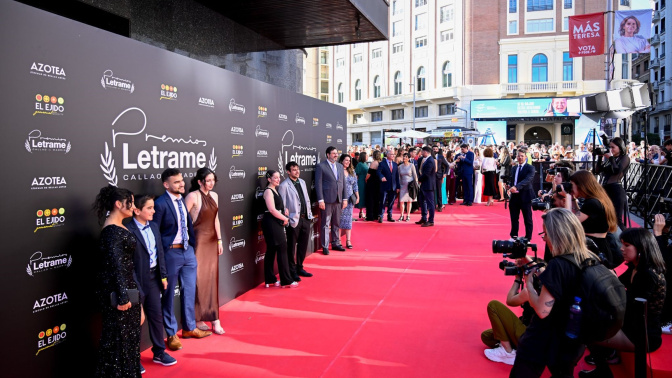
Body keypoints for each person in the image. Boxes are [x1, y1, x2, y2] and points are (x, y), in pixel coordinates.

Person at [510, 208, 596, 377]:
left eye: (546, 233)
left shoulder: (558, 264)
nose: (544, 238)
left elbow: (542, 310)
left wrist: (529, 284)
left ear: (556, 235)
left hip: (545, 337)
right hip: (572, 338)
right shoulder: (589, 257)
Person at [579, 228, 667, 378]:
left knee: (587, 333)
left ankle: (603, 372)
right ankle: (606, 362)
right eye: (622, 244)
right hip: (630, 324)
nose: (622, 249)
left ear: (641, 248)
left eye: (626, 245)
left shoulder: (648, 274)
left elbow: (629, 305)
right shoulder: (636, 266)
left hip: (642, 334)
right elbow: (618, 286)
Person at [152, 169, 211, 353]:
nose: (181, 184)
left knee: (189, 291)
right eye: (176, 182)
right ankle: (171, 334)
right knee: (168, 295)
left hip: (187, 252)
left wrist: (191, 247)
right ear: (166, 185)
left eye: (182, 181)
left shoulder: (182, 201)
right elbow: (156, 233)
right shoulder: (160, 204)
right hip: (170, 253)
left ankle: (189, 328)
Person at [93, 185, 142, 377]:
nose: (133, 206)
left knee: (128, 344)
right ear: (118, 204)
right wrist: (123, 298)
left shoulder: (120, 227)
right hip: (121, 298)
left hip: (128, 293)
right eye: (130, 202)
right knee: (118, 344)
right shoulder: (112, 231)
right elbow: (115, 266)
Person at [126, 194, 177, 368]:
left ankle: (159, 352)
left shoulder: (154, 226)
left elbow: (159, 253)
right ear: (136, 210)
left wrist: (163, 275)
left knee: (156, 316)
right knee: (135, 320)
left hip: (154, 278)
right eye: (149, 208)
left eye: (153, 207)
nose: (154, 211)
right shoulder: (127, 229)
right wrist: (133, 284)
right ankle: (133, 359)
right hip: (135, 280)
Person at [184, 168, 225, 335]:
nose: (211, 183)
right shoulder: (193, 196)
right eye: (208, 180)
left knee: (212, 278)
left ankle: (215, 318)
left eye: (213, 180)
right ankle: (198, 317)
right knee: (199, 279)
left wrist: (220, 240)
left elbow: (216, 219)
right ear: (200, 181)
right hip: (198, 241)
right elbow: (182, 220)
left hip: (212, 241)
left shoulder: (215, 196)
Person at [482, 257, 534, 366]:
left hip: (530, 336)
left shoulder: (531, 290)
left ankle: (508, 353)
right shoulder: (542, 286)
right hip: (530, 333)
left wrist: (517, 279)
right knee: (487, 336)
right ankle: (514, 350)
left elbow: (510, 301)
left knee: (494, 306)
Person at [567, 170, 623, 270]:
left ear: (581, 185)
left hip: (594, 247)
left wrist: (567, 197)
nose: (570, 188)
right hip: (599, 244)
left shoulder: (592, 203)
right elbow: (581, 214)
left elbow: (568, 222)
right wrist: (572, 199)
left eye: (572, 185)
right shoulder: (596, 200)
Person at [278, 162, 314, 282]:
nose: (297, 172)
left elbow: (306, 200)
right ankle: (292, 271)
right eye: (294, 170)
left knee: (303, 245)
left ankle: (300, 267)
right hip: (294, 220)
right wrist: (286, 217)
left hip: (305, 218)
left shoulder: (302, 182)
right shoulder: (284, 185)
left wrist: (309, 215)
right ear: (288, 172)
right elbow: (282, 205)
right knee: (291, 247)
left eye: (298, 169)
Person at [261, 170, 297, 288]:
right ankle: (286, 280)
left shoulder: (275, 190)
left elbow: (277, 207)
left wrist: (284, 211)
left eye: (278, 177)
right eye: (275, 178)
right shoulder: (268, 191)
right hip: (271, 223)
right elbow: (271, 209)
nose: (278, 179)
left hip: (275, 221)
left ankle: (269, 279)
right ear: (269, 179)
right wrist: (285, 218)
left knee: (271, 250)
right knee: (281, 248)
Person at [315, 146, 348, 254]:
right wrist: (320, 200)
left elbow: (343, 183)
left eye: (336, 153)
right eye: (333, 153)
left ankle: (336, 243)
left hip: (338, 200)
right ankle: (325, 246)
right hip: (327, 200)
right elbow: (318, 184)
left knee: (336, 223)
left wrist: (345, 198)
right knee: (325, 223)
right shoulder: (321, 166)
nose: (336, 155)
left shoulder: (339, 166)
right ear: (328, 155)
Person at [594, 137, 630, 231]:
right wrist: (600, 157)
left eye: (613, 147)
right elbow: (597, 171)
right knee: (604, 217)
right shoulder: (611, 159)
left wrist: (610, 158)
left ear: (620, 147)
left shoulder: (625, 158)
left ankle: (624, 239)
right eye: (609, 147)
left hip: (616, 190)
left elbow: (617, 171)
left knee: (617, 220)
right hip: (605, 189)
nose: (611, 150)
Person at [508, 148, 535, 241]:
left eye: (522, 156)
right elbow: (513, 180)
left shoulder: (530, 168)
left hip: (525, 196)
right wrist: (509, 186)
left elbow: (527, 180)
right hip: (514, 196)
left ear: (526, 157)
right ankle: (514, 235)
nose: (520, 157)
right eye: (518, 156)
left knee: (527, 218)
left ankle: (528, 237)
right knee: (514, 218)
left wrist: (516, 187)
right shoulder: (514, 168)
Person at [339, 154, 359, 247]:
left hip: (350, 199)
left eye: (349, 161)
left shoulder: (352, 171)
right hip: (339, 198)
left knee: (348, 220)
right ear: (342, 160)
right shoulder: (338, 171)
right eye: (346, 160)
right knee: (338, 219)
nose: (348, 162)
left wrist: (357, 196)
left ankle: (348, 240)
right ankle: (338, 240)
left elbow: (355, 185)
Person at [377, 150, 400, 222]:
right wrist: (381, 177)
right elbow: (378, 172)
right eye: (392, 154)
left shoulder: (395, 164)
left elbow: (397, 176)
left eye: (394, 154)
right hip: (384, 185)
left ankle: (389, 216)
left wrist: (398, 186)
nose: (393, 156)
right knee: (383, 201)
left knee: (391, 202)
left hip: (393, 186)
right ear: (387, 155)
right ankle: (381, 216)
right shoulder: (382, 163)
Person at [417, 146, 436, 227]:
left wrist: (419, 179)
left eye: (422, 151)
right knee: (423, 201)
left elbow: (427, 173)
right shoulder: (427, 160)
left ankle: (431, 220)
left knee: (430, 204)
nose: (421, 153)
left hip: (428, 185)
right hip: (424, 184)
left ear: (426, 152)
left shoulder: (430, 160)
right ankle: (424, 218)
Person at [398, 152, 419, 221]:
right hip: (402, 185)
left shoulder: (411, 165)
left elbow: (415, 175)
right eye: (404, 156)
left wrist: (415, 185)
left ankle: (408, 215)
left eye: (406, 157)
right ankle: (401, 215)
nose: (404, 158)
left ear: (409, 158)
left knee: (409, 201)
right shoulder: (400, 167)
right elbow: (399, 177)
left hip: (410, 185)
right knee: (401, 201)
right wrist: (398, 185)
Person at [365, 150, 382, 222]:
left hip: (372, 183)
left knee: (370, 199)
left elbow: (369, 174)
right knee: (376, 199)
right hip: (378, 183)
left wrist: (366, 179)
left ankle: (370, 216)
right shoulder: (381, 163)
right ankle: (376, 215)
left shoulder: (373, 163)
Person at [355, 152, 369, 220]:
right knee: (361, 196)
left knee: (365, 196)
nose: (368, 157)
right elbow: (356, 174)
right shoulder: (359, 164)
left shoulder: (365, 163)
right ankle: (361, 211)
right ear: (363, 156)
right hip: (361, 182)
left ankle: (362, 212)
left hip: (366, 182)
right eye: (366, 156)